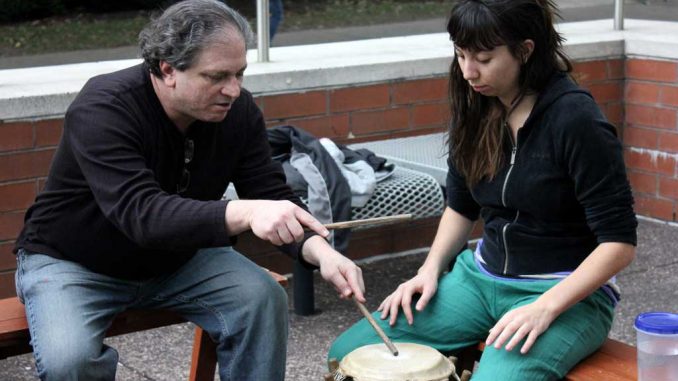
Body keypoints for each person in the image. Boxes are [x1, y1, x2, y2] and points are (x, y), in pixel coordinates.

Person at [13, 1, 365, 380]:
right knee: (70, 361)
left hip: (174, 261)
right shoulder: (104, 107)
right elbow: (142, 214)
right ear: (167, 69)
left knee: (261, 299)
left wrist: (321, 252)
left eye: (240, 74)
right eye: (216, 76)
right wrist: (246, 212)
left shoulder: (239, 112)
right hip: (74, 264)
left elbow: (269, 191)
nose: (233, 90)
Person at [328, 0, 637, 379]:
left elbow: (619, 244)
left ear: (525, 50)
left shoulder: (576, 120)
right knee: (350, 353)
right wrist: (428, 271)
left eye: (485, 58)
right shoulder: (475, 104)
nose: (469, 71)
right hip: (479, 277)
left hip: (564, 291)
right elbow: (460, 207)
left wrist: (545, 306)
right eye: (460, 55)